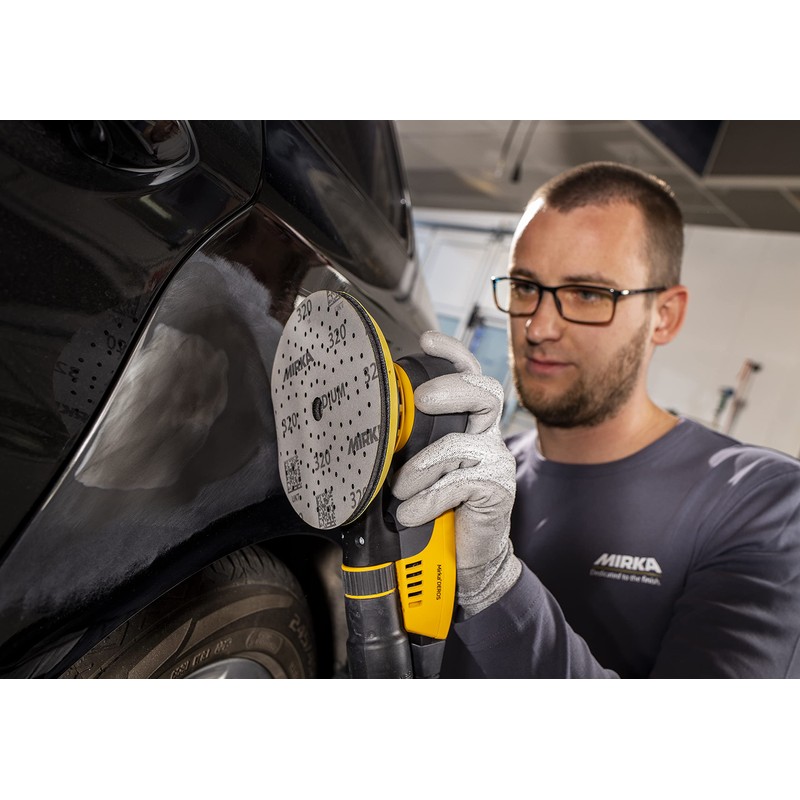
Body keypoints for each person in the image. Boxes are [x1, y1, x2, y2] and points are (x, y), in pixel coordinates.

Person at [391, 161, 800, 678]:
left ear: (665, 316)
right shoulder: (478, 473)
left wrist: (494, 585)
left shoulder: (765, 503)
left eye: (587, 294)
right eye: (524, 286)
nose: (538, 326)